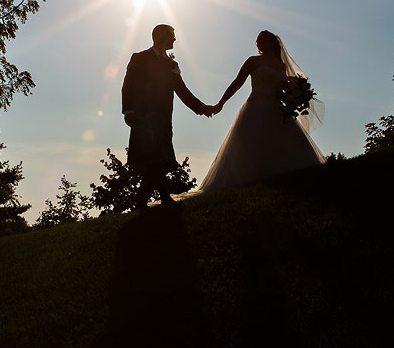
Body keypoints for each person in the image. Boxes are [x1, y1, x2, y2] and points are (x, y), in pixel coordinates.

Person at [200, 31, 325, 192]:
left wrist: (296, 94)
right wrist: (220, 103)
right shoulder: (253, 61)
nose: (259, 43)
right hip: (255, 108)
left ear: (273, 42)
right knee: (251, 146)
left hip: (276, 109)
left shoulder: (281, 65)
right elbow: (237, 83)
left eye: (263, 39)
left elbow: (281, 89)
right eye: (258, 40)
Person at [122, 24, 213, 209]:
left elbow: (181, 90)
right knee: (154, 159)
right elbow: (128, 85)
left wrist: (201, 107)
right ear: (161, 36)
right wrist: (128, 110)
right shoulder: (140, 58)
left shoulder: (172, 64)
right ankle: (157, 199)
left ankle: (150, 200)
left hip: (164, 118)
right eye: (172, 36)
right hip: (144, 117)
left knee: (158, 159)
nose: (175, 39)